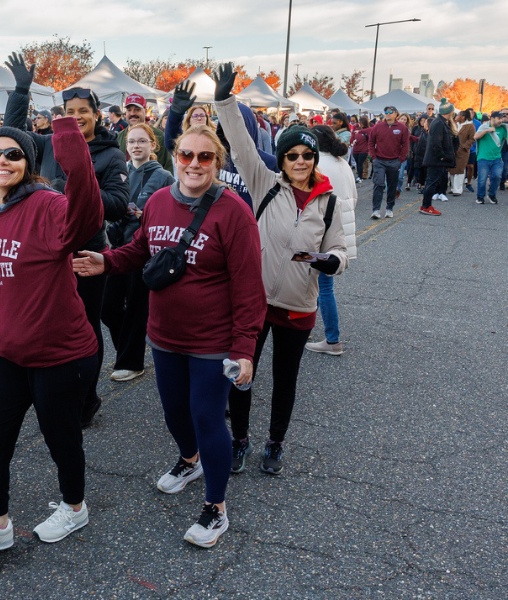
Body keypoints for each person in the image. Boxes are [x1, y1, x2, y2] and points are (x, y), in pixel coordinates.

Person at [73, 123, 265, 549]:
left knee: (207, 417)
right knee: (174, 412)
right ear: (175, 157)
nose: (194, 164)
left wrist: (244, 348)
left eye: (205, 157)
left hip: (213, 341)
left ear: (218, 162)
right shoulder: (159, 200)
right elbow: (142, 249)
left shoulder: (234, 212)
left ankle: (216, 508)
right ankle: (189, 460)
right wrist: (105, 262)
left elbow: (250, 288)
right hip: (164, 335)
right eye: (187, 156)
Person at [0, 117, 103, 561]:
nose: (2, 161)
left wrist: (68, 132)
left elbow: (87, 215)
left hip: (59, 353)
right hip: (7, 350)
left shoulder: (47, 204)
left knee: (61, 439)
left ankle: (75, 508)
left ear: (29, 163)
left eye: (13, 154)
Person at [213, 62, 348, 476]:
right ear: (283, 157)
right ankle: (239, 441)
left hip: (297, 305)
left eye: (308, 155)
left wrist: (332, 262)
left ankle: (275, 443)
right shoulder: (265, 182)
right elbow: (241, 145)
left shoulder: (328, 202)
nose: (301, 161)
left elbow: (338, 248)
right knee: (241, 375)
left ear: (315, 158)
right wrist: (224, 101)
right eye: (293, 154)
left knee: (285, 380)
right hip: (254, 303)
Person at [3, 53, 130, 428]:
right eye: (69, 110)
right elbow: (10, 136)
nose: (76, 116)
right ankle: (50, 392)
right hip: (44, 253)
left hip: (87, 253)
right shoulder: (46, 144)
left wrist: (70, 193)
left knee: (86, 328)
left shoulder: (110, 155)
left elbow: (119, 204)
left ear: (95, 113)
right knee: (47, 325)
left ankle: (86, 399)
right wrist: (21, 91)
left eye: (83, 110)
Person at [101, 124, 174, 382]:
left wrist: (149, 218)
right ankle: (129, 348)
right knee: (107, 307)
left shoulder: (163, 176)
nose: (135, 146)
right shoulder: (119, 172)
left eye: (142, 141)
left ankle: (131, 361)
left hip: (143, 252)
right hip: (117, 248)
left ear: (153, 145)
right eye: (131, 141)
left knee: (135, 308)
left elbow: (171, 211)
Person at [167, 80, 279, 209]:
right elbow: (175, 145)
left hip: (251, 223)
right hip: (215, 219)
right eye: (227, 126)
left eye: (239, 127)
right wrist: (175, 115)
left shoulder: (269, 163)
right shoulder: (213, 155)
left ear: (250, 126)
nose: (233, 133)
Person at [305, 126, 358, 356]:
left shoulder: (317, 166)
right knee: (319, 283)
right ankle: (309, 327)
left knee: (320, 285)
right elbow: (354, 197)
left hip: (323, 234)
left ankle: (332, 339)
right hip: (342, 233)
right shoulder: (342, 163)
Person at [367, 106, 409, 219]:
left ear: (396, 114)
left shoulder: (402, 128)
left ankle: (389, 208)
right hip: (379, 161)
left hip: (394, 161)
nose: (388, 114)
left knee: (391, 186)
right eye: (386, 112)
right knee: (379, 184)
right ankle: (376, 210)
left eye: (391, 112)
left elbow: (405, 145)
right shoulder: (378, 127)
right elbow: (371, 142)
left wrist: (400, 160)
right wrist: (373, 157)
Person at [116, 94, 173, 171]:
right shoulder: (118, 137)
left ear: (145, 111)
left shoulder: (159, 136)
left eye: (137, 109)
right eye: (129, 110)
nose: (132, 113)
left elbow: (167, 167)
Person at [420, 98, 457, 215]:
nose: (453, 113)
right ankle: (426, 206)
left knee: (432, 182)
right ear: (449, 112)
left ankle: (426, 205)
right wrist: (442, 156)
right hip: (436, 160)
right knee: (432, 183)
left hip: (437, 159)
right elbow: (436, 142)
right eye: (452, 111)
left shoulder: (440, 122)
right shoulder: (438, 123)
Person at [473, 111, 506, 204]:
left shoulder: (503, 129)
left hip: (497, 158)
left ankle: (492, 194)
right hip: (483, 158)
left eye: (502, 118)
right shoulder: (484, 126)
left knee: (497, 176)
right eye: (499, 118)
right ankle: (480, 197)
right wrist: (486, 131)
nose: (501, 120)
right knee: (482, 179)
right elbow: (475, 136)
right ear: (492, 118)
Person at [448, 109, 475, 196]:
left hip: (463, 151)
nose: (457, 117)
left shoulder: (470, 126)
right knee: (452, 169)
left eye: (458, 115)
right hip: (453, 150)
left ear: (463, 117)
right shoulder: (455, 124)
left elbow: (472, 138)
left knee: (459, 170)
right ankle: (452, 188)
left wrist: (464, 146)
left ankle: (458, 189)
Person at [350, 116, 371, 182]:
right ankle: (359, 175)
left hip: (364, 149)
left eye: (361, 122)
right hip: (356, 149)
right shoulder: (356, 128)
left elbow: (370, 139)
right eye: (359, 122)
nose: (360, 124)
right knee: (357, 163)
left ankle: (360, 176)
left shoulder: (367, 130)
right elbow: (353, 137)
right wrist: (353, 141)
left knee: (360, 162)